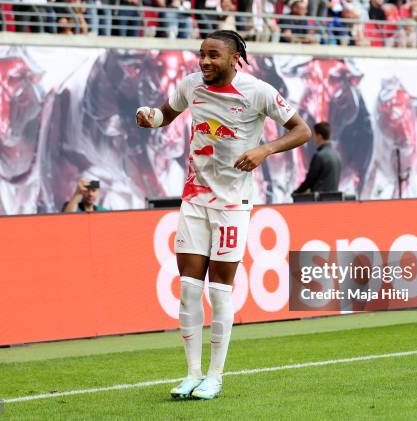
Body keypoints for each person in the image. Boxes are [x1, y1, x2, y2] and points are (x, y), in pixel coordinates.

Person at [136, 30, 311, 400]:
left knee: (218, 291)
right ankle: (191, 374)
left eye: (213, 56)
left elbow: (301, 130)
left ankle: (215, 376)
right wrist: (149, 117)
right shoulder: (191, 86)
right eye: (201, 55)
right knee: (187, 288)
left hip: (233, 205)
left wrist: (265, 149)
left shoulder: (258, 91)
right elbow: (164, 116)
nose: (204, 62)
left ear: (234, 59)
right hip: (195, 200)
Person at [293, 122, 341, 194]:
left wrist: (297, 192)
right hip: (333, 200)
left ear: (319, 136)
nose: (313, 138)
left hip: (319, 201)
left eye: (314, 135)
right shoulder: (337, 155)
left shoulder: (319, 156)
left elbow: (310, 180)